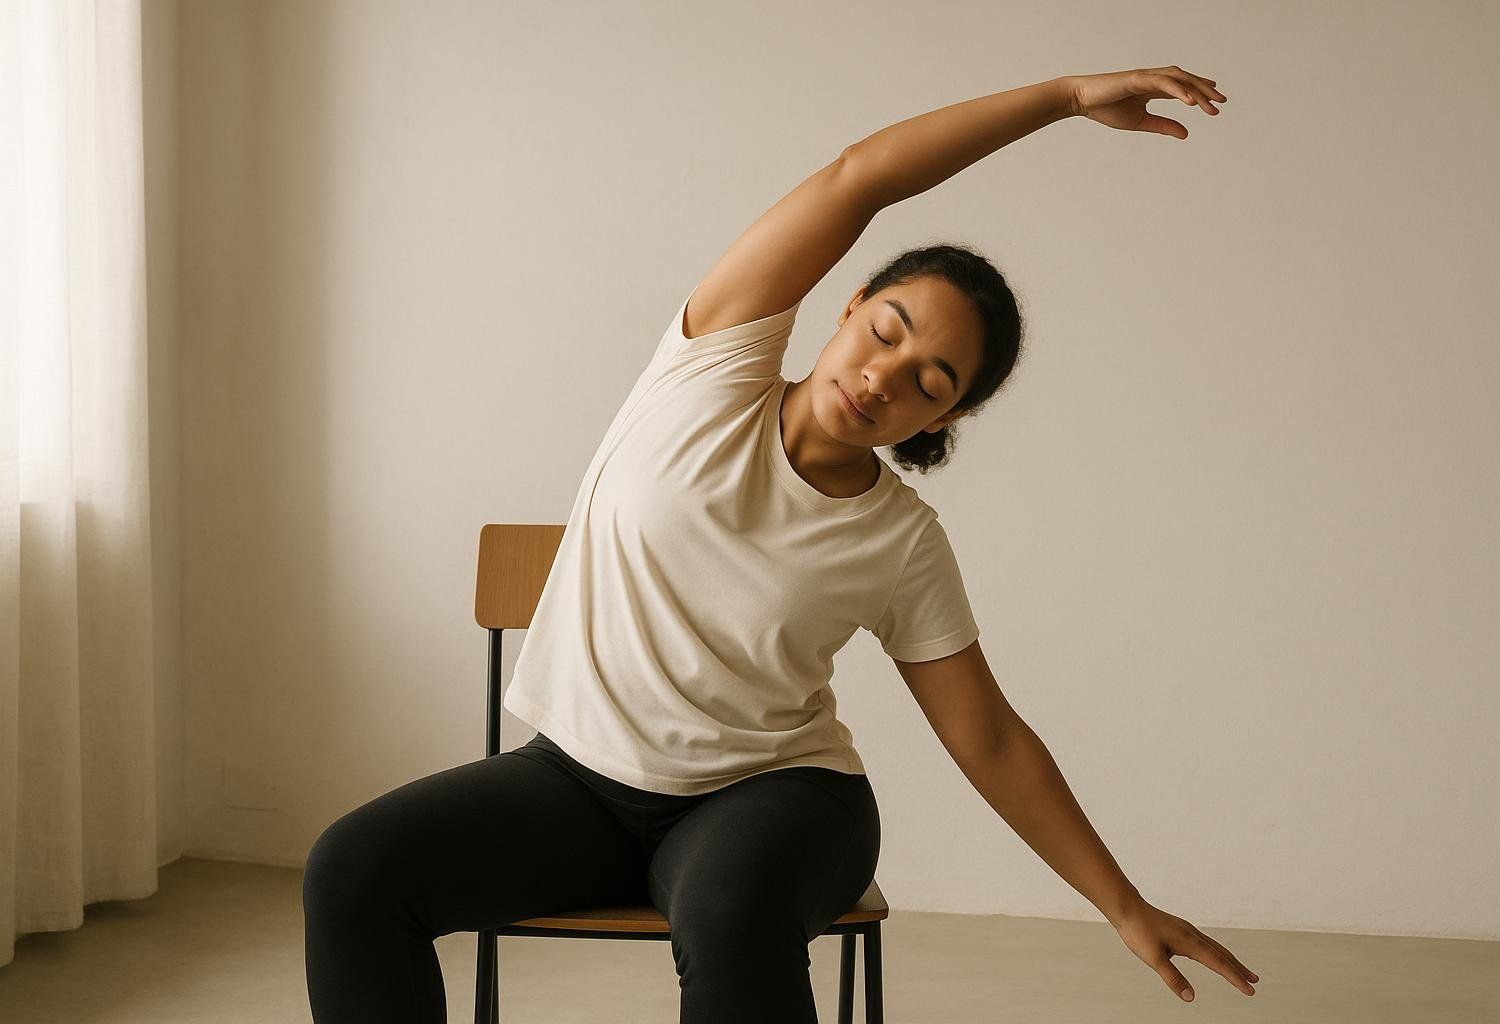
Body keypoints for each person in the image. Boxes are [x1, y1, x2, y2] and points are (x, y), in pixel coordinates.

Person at [303, 65, 1259, 1023]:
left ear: (947, 415)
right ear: (846, 309)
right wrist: (1057, 101)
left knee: (729, 911)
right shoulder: (709, 367)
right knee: (354, 872)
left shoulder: (901, 541)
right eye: (886, 331)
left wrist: (1122, 904)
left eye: (930, 383)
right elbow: (859, 180)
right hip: (576, 784)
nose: (886, 377)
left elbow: (991, 739)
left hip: (776, 801)